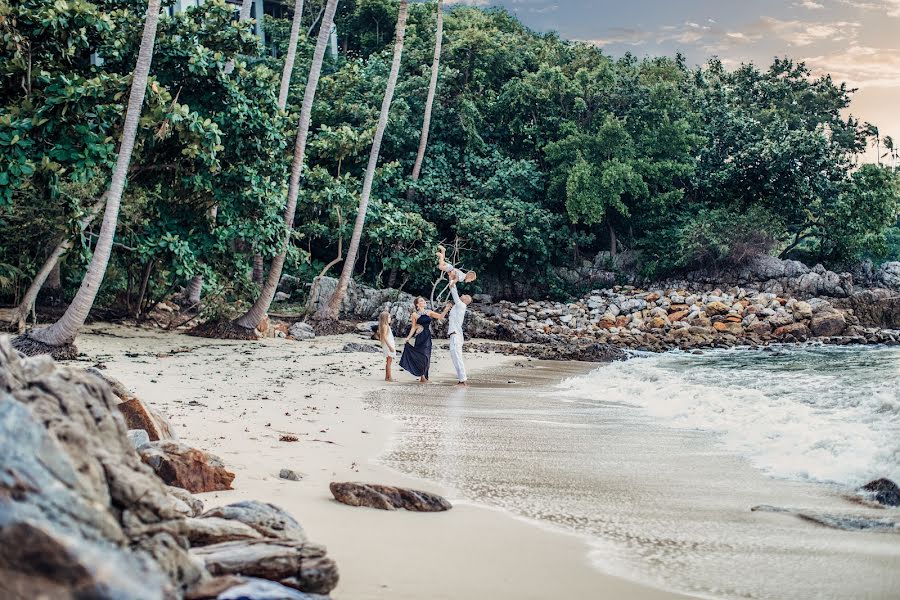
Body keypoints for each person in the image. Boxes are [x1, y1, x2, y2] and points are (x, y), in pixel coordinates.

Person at [399, 296, 447, 383]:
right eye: (421, 301)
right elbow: (413, 328)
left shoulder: (429, 312)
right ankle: (422, 377)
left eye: (424, 300)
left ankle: (424, 376)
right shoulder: (414, 314)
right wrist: (408, 338)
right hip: (420, 336)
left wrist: (446, 309)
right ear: (417, 304)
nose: (424, 301)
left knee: (427, 356)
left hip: (427, 336)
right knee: (421, 356)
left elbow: (440, 317)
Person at [446, 274, 473, 386]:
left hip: (456, 335)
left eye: (465, 295)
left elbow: (454, 292)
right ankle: (461, 378)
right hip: (455, 335)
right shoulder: (458, 306)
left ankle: (463, 379)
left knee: (457, 356)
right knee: (454, 356)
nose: (463, 295)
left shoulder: (461, 305)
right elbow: (452, 289)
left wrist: (453, 279)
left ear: (466, 300)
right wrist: (450, 278)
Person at [376, 311, 396, 382]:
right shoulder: (385, 326)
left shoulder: (385, 326)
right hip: (388, 344)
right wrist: (390, 346)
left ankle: (387, 377)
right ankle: (389, 377)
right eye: (389, 317)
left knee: (388, 361)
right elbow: (384, 337)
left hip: (388, 344)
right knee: (389, 361)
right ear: (385, 318)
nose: (390, 318)